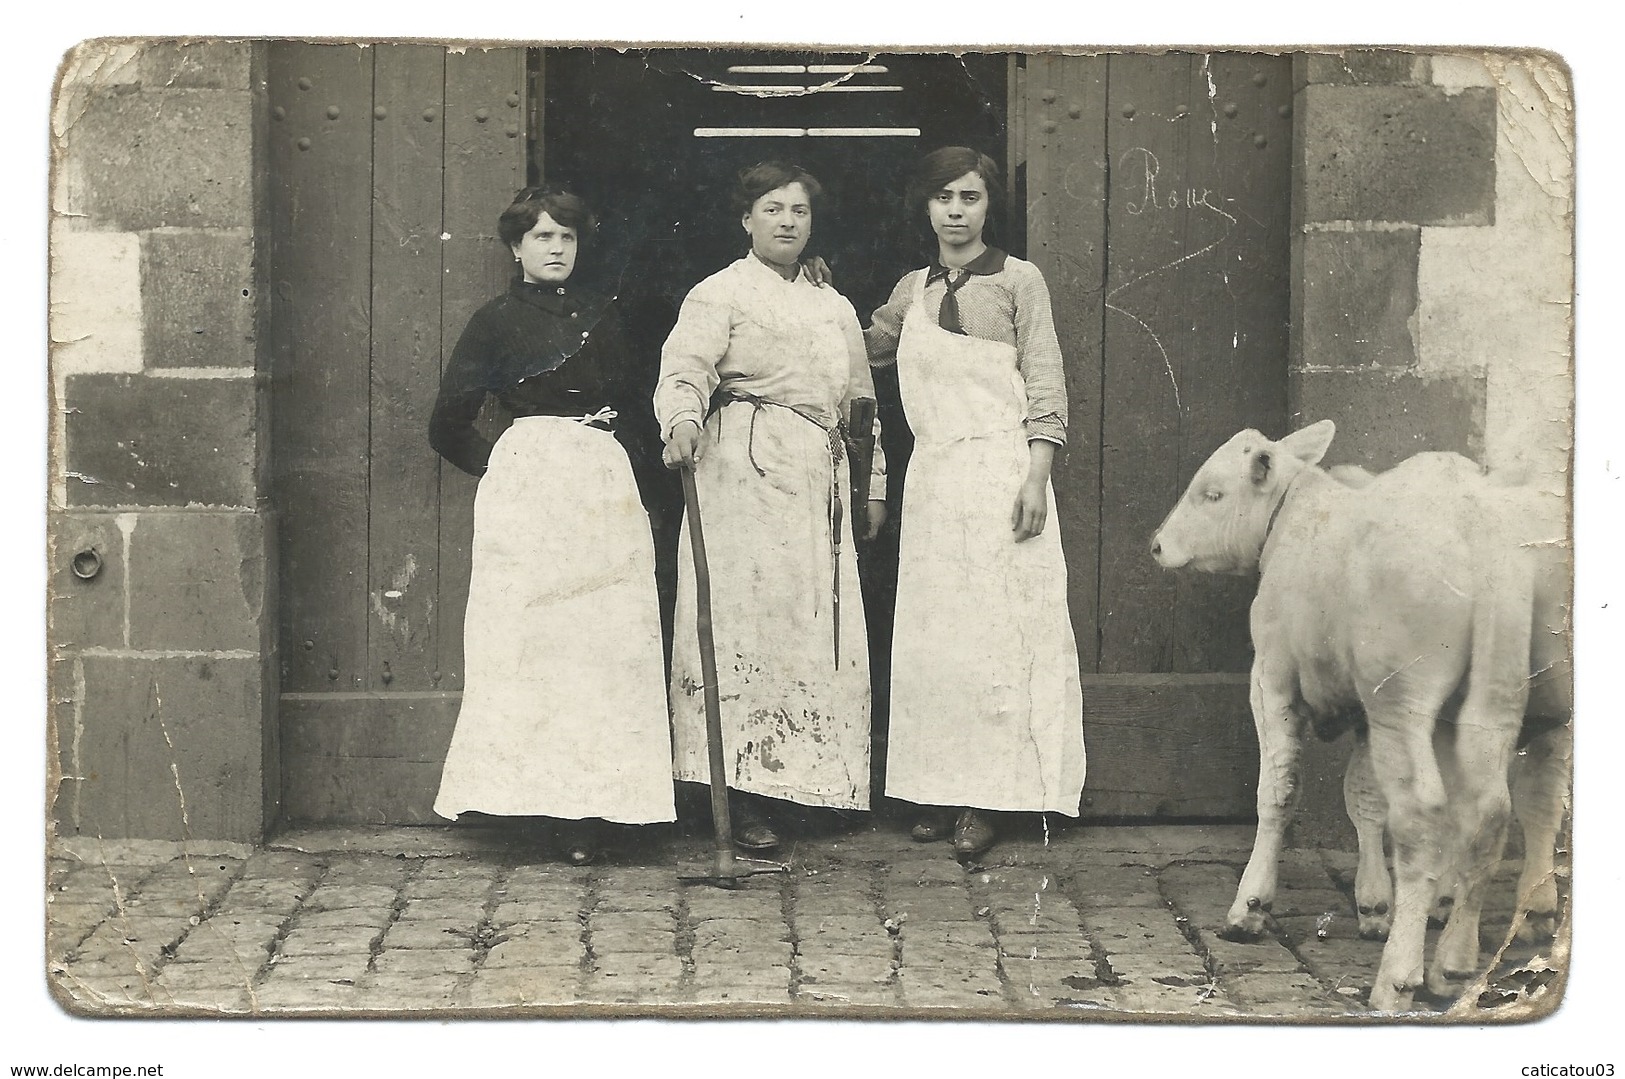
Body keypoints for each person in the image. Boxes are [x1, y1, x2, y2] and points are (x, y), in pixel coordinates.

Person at [428, 185, 675, 864]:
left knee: (600, 641)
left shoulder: (605, 315)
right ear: (516, 247)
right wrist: (508, 464)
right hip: (529, 491)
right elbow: (446, 424)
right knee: (529, 641)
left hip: (599, 486)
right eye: (542, 237)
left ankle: (594, 811)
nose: (556, 249)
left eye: (566, 237)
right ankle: (529, 804)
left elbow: (633, 401)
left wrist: (624, 465)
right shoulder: (494, 321)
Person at [657, 161, 888, 851]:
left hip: (816, 477)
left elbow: (861, 400)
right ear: (745, 218)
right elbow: (684, 368)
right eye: (772, 208)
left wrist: (870, 482)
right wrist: (681, 421)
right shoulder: (717, 293)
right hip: (740, 473)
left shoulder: (832, 304)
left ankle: (806, 786)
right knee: (742, 628)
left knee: (808, 630)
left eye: (799, 211)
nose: (787, 220)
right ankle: (734, 791)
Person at [865, 147, 1086, 859]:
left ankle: (988, 797)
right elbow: (860, 349)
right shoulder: (910, 289)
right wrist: (811, 296)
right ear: (924, 208)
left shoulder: (1020, 282)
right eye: (942, 198)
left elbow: (1045, 380)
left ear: (989, 206)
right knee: (938, 637)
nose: (955, 211)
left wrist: (1035, 476)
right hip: (934, 480)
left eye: (968, 197)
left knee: (999, 632)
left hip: (1002, 472)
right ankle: (934, 787)